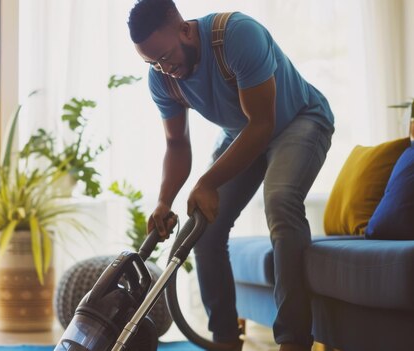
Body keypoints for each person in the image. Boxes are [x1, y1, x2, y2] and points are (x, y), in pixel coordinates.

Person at [127, 1, 335, 351]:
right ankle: (225, 340)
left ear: (184, 29)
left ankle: (293, 341)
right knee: (203, 226)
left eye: (165, 56)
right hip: (242, 130)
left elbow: (263, 124)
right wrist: (164, 201)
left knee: (281, 201)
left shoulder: (237, 35)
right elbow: (177, 144)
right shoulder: (162, 79)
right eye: (152, 63)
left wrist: (206, 182)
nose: (163, 69)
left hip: (298, 119)